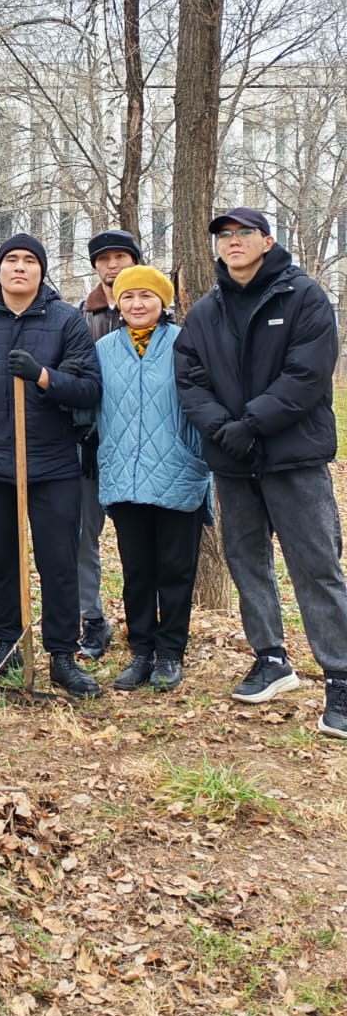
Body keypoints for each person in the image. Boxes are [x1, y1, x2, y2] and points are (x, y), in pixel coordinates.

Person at [174, 208, 347, 739]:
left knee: (316, 565)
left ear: (267, 241)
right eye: (224, 235)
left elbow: (307, 374)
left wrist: (253, 422)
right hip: (233, 461)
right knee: (246, 560)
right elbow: (189, 377)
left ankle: (340, 676)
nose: (233, 242)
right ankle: (271, 658)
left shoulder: (304, 297)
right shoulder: (206, 310)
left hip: (293, 457)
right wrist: (222, 428)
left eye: (244, 233)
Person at [0, 233, 102, 698]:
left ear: (41, 270)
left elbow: (89, 389)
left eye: (29, 260)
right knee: (2, 560)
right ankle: (8, 644)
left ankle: (62, 655)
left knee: (58, 562)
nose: (19, 267)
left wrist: (44, 377)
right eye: (11, 259)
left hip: (53, 464)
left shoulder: (67, 320)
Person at [95, 266, 211, 692]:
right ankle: (141, 651)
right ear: (118, 303)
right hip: (124, 473)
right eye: (128, 296)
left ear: (163, 302)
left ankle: (170, 654)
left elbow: (206, 401)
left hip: (177, 471)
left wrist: (196, 455)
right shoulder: (104, 349)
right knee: (137, 570)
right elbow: (88, 402)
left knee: (176, 569)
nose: (137, 304)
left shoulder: (185, 343)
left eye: (146, 296)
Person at [76, 228, 142, 662]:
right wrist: (84, 430)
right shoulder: (81, 316)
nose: (112, 265)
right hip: (90, 446)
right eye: (104, 259)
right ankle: (92, 619)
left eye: (120, 256)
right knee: (83, 536)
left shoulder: (156, 310)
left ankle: (146, 624)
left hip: (142, 447)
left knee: (142, 539)